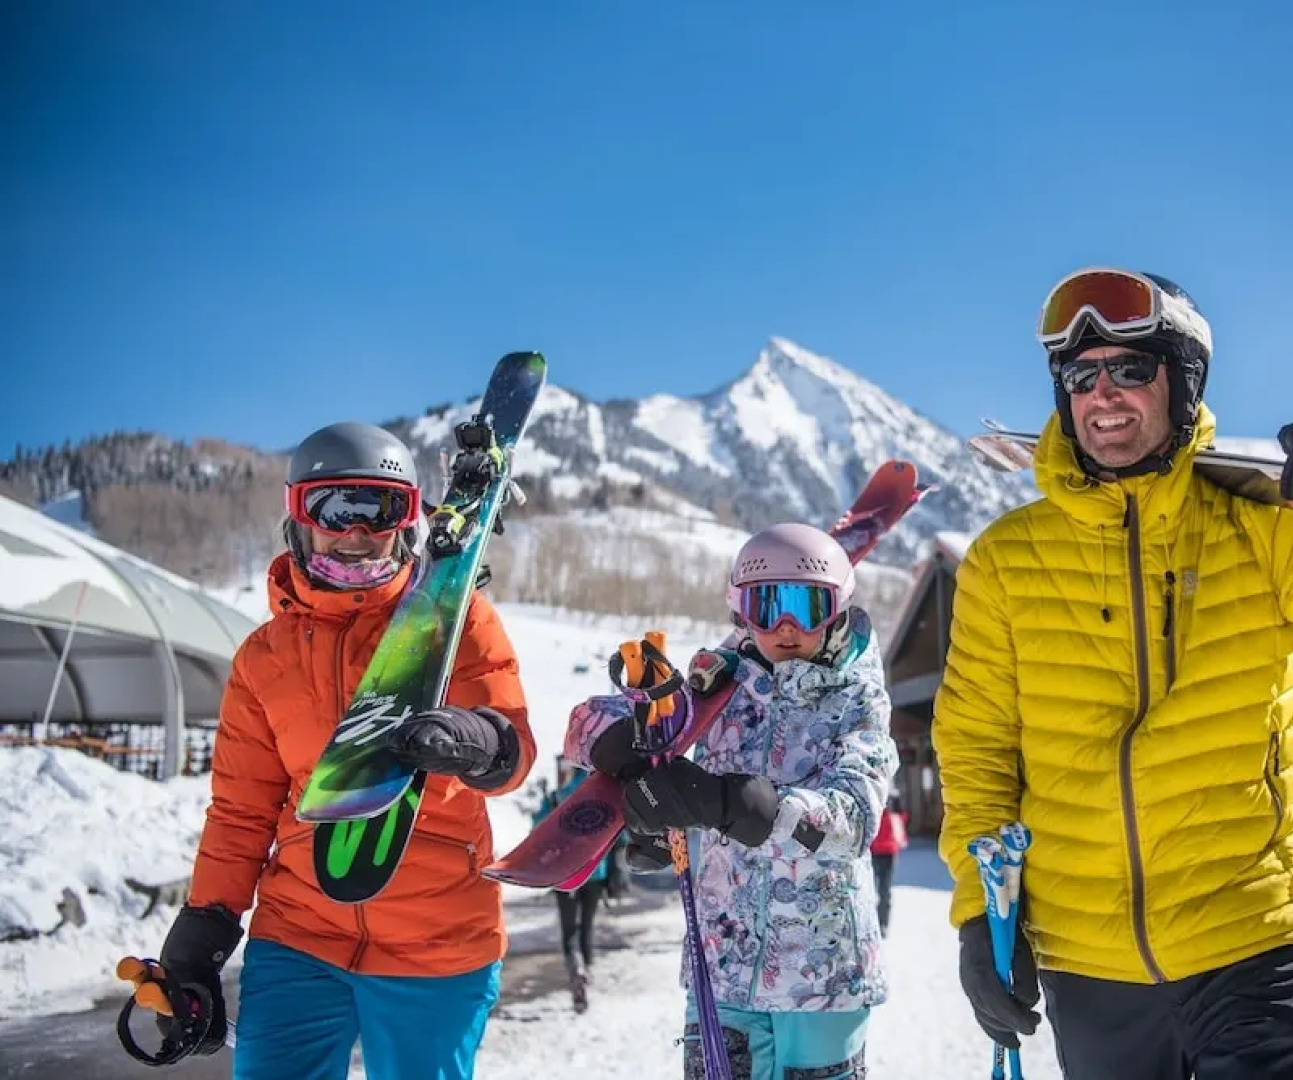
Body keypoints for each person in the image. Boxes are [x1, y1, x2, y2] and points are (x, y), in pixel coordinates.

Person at [932, 267, 1293, 1080]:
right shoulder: (1003, 561)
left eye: (1129, 368)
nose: (1102, 394)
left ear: (1181, 380)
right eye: (1080, 376)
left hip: (1254, 939)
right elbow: (978, 750)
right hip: (1089, 957)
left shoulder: (1267, 525)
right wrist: (983, 916)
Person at [138, 422, 534, 1079]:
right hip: (299, 932)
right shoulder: (265, 657)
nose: (355, 531)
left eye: (379, 509)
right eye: (333, 508)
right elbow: (240, 813)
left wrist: (480, 741)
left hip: (437, 937)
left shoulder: (456, 619)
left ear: (408, 519)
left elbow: (513, 756)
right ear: (299, 516)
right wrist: (201, 934)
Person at [565, 523, 896, 1080]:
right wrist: (617, 745)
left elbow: (853, 819)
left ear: (838, 609)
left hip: (824, 979)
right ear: (739, 611)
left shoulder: (857, 696)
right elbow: (586, 723)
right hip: (722, 965)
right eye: (766, 606)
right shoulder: (718, 682)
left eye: (807, 606)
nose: (786, 627)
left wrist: (734, 803)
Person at [533, 758, 616, 1012]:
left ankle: (575, 970)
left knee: (570, 931)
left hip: (565, 874)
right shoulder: (600, 795)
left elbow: (538, 826)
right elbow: (615, 833)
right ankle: (586, 974)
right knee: (587, 927)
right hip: (594, 872)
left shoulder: (559, 796)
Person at [870, 790, 910, 935]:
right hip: (875, 853)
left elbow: (904, 818)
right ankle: (875, 922)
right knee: (873, 891)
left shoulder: (894, 817)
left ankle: (882, 923)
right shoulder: (876, 815)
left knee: (884, 891)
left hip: (888, 854)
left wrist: (899, 803)